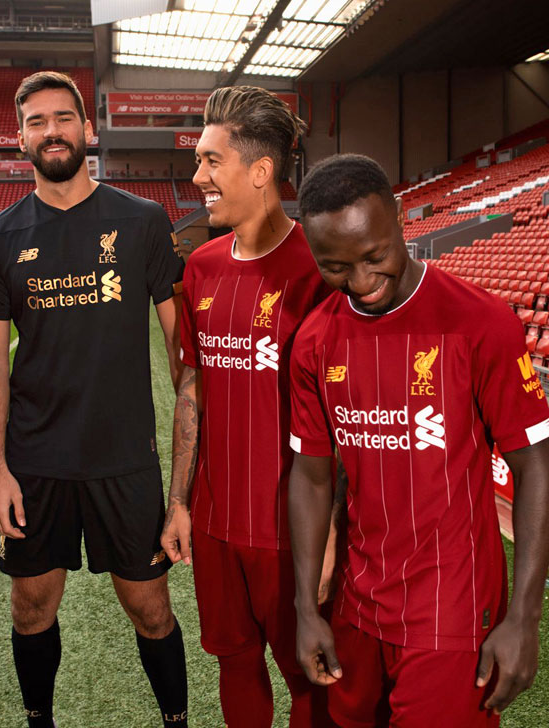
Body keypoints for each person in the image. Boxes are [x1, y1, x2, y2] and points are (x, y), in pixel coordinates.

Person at [288, 153, 549, 728]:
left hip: (453, 609)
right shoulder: (313, 341)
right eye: (336, 267)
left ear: (401, 220)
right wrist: (307, 608)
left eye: (374, 257)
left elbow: (537, 466)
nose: (361, 283)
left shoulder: (480, 323)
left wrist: (525, 618)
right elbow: (310, 476)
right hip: (356, 604)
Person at [0, 71, 188, 728]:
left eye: (63, 117)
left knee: (151, 609)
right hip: (35, 461)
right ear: (20, 138)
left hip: (124, 457)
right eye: (36, 122)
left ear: (87, 129)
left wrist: (187, 471)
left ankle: (176, 721)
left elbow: (181, 349)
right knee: (31, 609)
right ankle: (40, 720)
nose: (52, 131)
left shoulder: (142, 221)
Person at [159, 85, 335, 728]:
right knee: (234, 664)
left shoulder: (320, 269)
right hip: (214, 523)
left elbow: (343, 416)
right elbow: (191, 387)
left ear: (261, 172)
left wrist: (333, 533)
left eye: (212, 161)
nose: (197, 177)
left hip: (292, 530)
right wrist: (179, 501)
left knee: (308, 678)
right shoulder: (202, 267)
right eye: (198, 160)